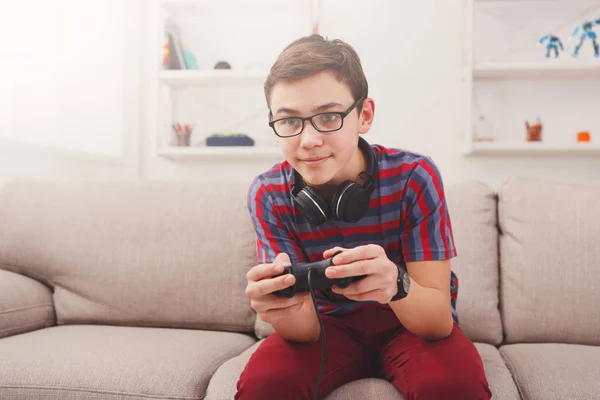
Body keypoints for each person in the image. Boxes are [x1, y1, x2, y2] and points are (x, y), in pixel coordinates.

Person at [237, 34, 492, 400]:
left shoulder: (414, 178)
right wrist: (281, 310)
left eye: (328, 116)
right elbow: (304, 334)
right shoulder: (268, 194)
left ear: (365, 115)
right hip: (326, 328)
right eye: (290, 121)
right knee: (264, 385)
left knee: (454, 386)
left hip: (410, 323)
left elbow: (437, 321)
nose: (307, 140)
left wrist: (395, 285)